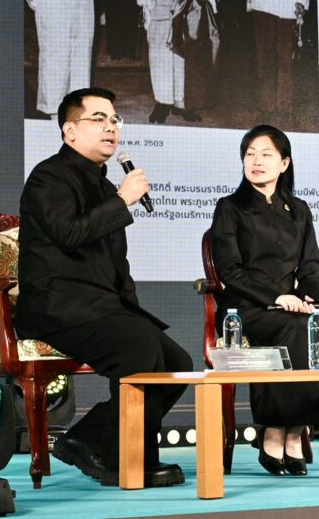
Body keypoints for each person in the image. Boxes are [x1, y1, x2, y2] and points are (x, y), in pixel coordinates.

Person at [16, 88, 193, 487]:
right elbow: (69, 234)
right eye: (98, 119)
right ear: (69, 131)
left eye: (115, 120)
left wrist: (132, 311)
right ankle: (127, 458)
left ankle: (93, 438)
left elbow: (117, 267)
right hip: (58, 308)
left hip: (100, 307)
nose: (111, 127)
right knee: (138, 347)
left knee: (177, 362)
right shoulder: (49, 176)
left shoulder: (104, 186)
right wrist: (123, 200)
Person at [210, 125, 319, 477]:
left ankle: (297, 429)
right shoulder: (230, 207)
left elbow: (312, 265)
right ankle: (274, 431)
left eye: (266, 154)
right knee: (297, 329)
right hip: (245, 309)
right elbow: (229, 271)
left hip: (292, 307)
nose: (256, 161)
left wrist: (307, 297)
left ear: (284, 163)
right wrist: (277, 298)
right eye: (250, 154)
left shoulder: (299, 210)